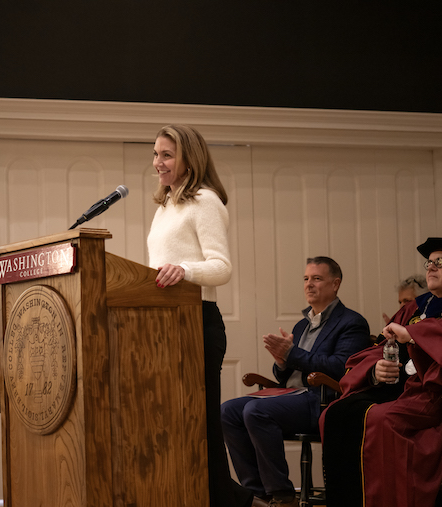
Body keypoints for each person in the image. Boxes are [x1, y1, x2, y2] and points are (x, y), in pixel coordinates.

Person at [320, 237, 442, 507]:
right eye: (429, 262)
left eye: (440, 262)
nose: (430, 268)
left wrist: (415, 334)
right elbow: (381, 345)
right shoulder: (415, 307)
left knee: (382, 419)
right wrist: (375, 369)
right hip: (400, 390)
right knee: (333, 414)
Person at [147, 124, 253, 507]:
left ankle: (227, 501)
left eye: (166, 155)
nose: (157, 162)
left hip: (196, 323)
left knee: (199, 425)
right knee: (170, 424)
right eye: (156, 154)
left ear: (190, 158)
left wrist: (185, 270)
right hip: (162, 326)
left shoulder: (205, 200)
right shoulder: (165, 206)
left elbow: (220, 267)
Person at [220, 256, 371, 507]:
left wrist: (292, 354)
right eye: (306, 279)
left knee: (255, 410)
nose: (309, 284)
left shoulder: (351, 323)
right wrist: (281, 361)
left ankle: (281, 494)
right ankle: (257, 493)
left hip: (321, 400)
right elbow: (285, 374)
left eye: (317, 279)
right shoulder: (302, 325)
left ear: (335, 284)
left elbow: (340, 368)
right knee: (227, 411)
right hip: (290, 395)